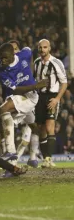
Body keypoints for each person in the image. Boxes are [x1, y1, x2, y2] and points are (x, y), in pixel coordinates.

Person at [0, 43, 48, 176]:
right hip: (20, 96)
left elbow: (29, 51)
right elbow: (17, 89)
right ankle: (12, 167)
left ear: (14, 54)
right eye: (1, 57)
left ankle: (22, 154)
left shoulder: (24, 55)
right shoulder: (0, 70)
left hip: (30, 98)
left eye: (5, 58)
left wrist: (30, 70)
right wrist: (36, 85)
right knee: (3, 125)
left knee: (4, 110)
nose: (3, 60)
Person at [34, 39, 68, 168]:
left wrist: (57, 99)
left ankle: (48, 158)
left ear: (49, 48)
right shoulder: (36, 63)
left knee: (49, 127)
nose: (42, 50)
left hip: (51, 97)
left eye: (45, 47)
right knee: (41, 129)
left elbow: (64, 83)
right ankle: (45, 159)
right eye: (40, 47)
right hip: (39, 97)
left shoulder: (56, 63)